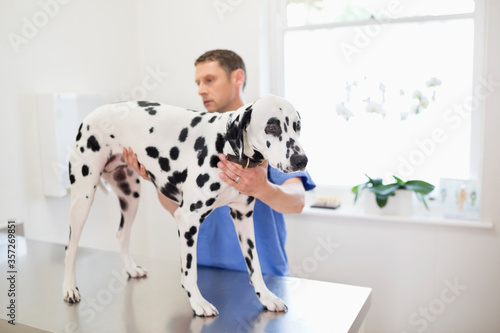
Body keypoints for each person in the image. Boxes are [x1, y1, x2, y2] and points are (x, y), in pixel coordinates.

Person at [123, 49, 315, 276]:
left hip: (263, 277)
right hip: (205, 274)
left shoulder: (265, 131)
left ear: (237, 78)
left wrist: (262, 188)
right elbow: (177, 207)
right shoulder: (192, 136)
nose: (201, 90)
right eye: (198, 82)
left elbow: (297, 201)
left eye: (210, 80)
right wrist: (155, 176)